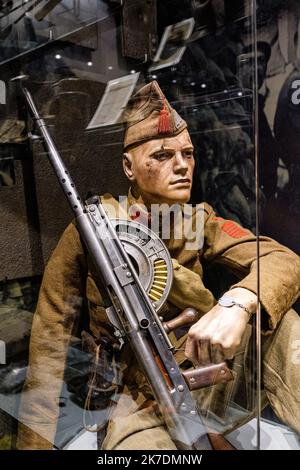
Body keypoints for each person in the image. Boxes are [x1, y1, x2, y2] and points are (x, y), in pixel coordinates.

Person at [16, 81, 300, 450]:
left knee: (283, 327)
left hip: (201, 381)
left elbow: (282, 259)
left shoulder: (198, 220)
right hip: (134, 404)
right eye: (163, 155)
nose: (182, 165)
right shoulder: (94, 231)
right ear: (128, 166)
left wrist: (239, 303)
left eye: (188, 153)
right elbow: (50, 344)